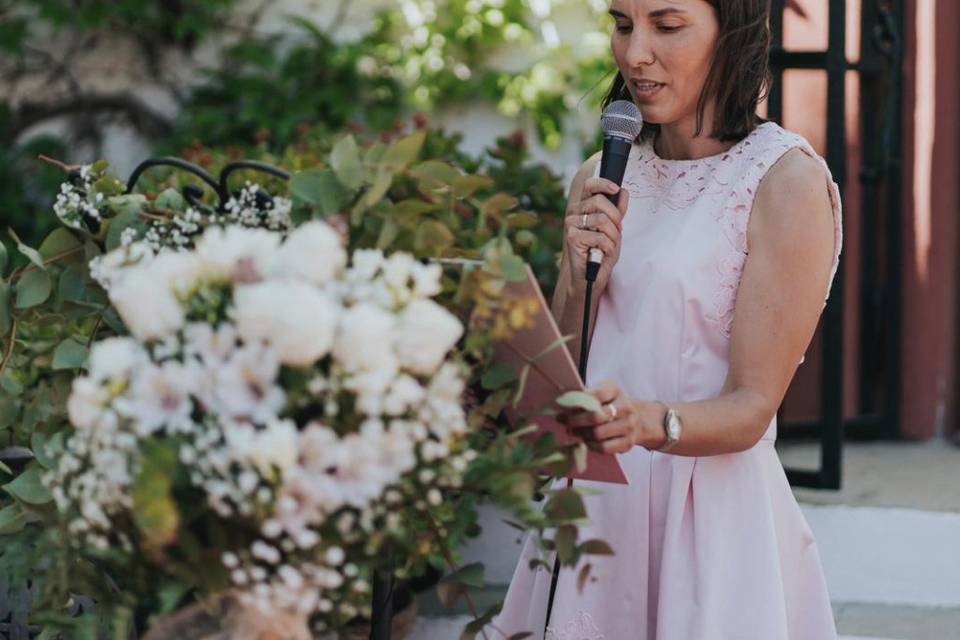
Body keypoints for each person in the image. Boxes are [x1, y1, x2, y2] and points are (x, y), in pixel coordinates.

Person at [489, 1, 842, 638]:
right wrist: (577, 270)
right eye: (623, 24)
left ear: (733, 33)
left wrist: (649, 421)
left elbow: (753, 406)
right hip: (595, 510)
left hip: (709, 522)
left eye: (667, 25)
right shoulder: (599, 175)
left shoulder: (783, 181)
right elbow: (565, 369)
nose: (636, 53)